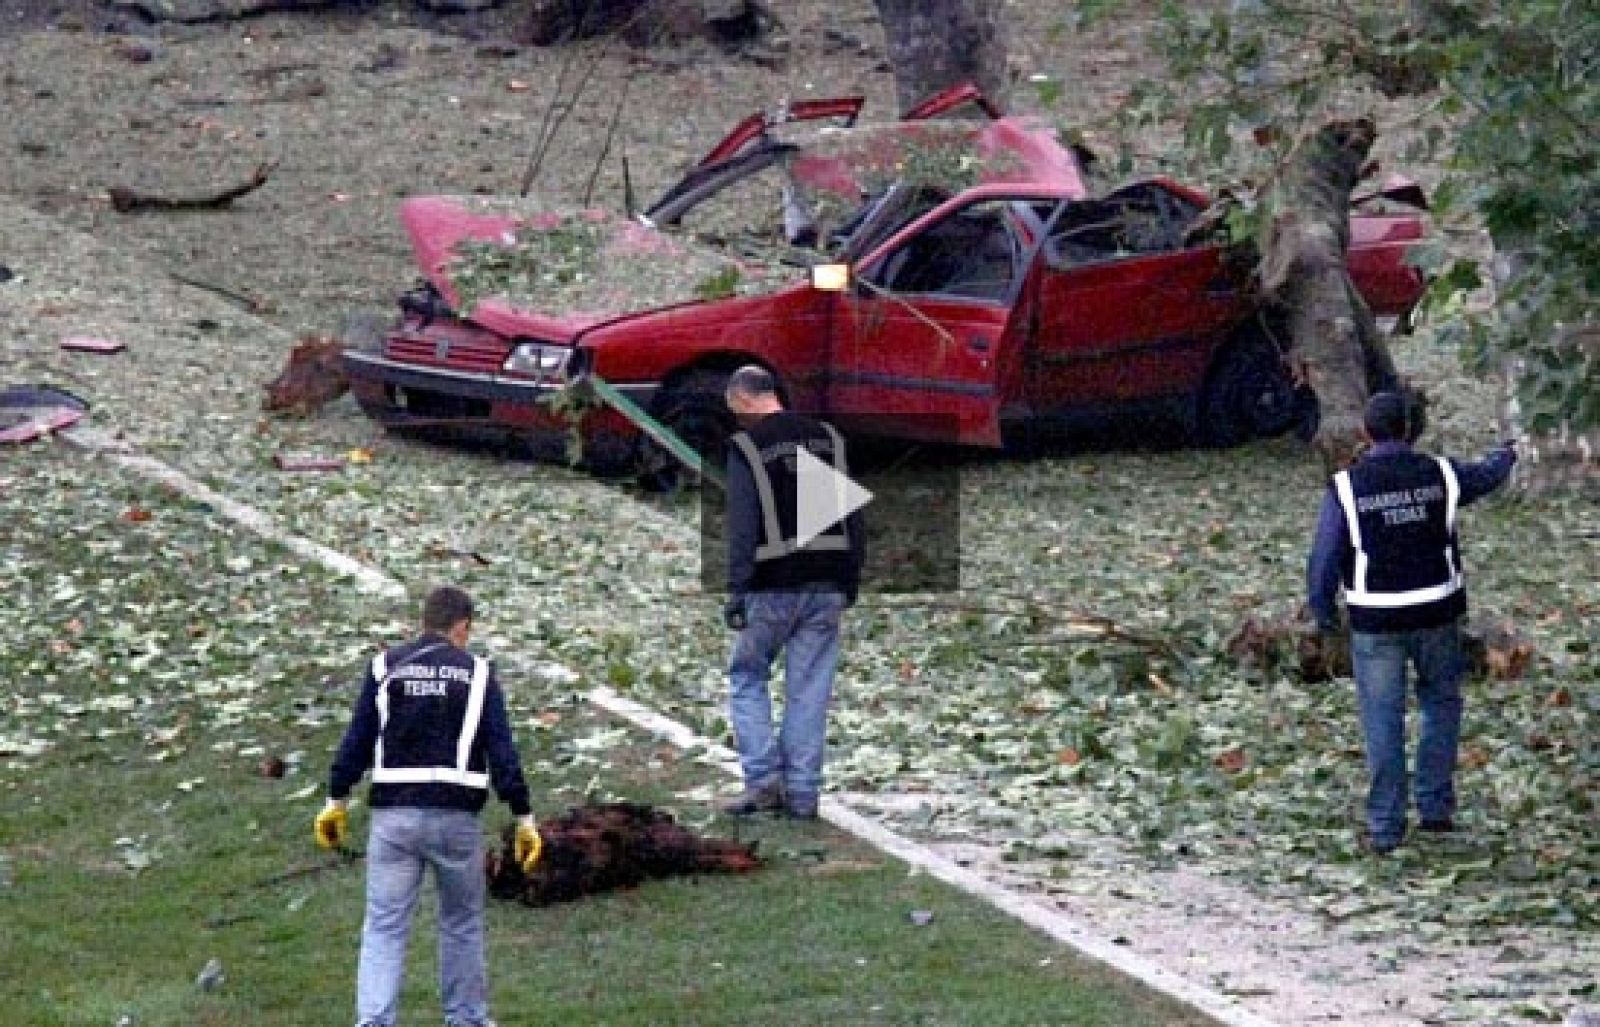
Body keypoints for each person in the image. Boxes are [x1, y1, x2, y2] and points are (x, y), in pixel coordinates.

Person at [314, 586, 543, 1027]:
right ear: (462, 627)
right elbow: (503, 753)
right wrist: (524, 817)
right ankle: (467, 1019)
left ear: (424, 622)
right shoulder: (478, 673)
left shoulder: (385, 667)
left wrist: (336, 799)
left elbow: (357, 741)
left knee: (384, 925)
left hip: (394, 817)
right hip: (456, 817)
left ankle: (375, 1021)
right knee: (461, 923)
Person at [1307, 391, 1516, 854]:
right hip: (1436, 614)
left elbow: (1324, 559)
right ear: (1410, 430)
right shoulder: (1440, 474)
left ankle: (1385, 826)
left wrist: (1323, 614)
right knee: (1441, 703)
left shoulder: (1346, 487)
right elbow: (1487, 476)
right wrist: (1509, 452)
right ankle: (1435, 807)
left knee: (1382, 716)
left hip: (1375, 621)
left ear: (1366, 431)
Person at [720, 365, 866, 820]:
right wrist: (849, 582)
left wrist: (737, 591)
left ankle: (762, 782)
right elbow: (853, 519)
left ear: (743, 400)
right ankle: (803, 794)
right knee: (809, 689)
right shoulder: (828, 438)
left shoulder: (747, 447)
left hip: (771, 584)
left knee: (747, 677)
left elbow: (743, 528)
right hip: (827, 584)